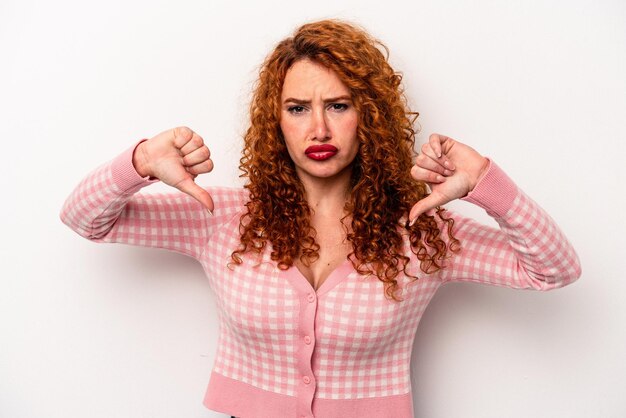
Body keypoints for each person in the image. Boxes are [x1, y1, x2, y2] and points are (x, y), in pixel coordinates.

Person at [60, 19, 581, 418]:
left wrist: (487, 181)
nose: (318, 129)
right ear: (275, 121)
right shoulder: (223, 217)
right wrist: (140, 162)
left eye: (338, 105)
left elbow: (554, 270)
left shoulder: (423, 229)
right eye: (297, 108)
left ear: (370, 116)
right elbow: (85, 219)